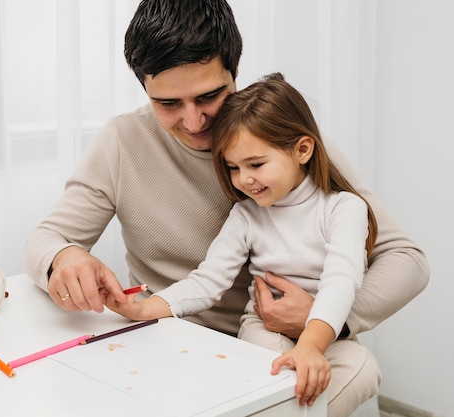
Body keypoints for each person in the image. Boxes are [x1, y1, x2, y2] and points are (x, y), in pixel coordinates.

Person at [23, 1, 429, 415]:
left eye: (209, 96)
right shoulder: (122, 141)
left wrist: (325, 320)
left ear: (235, 71)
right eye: (168, 104)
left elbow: (407, 260)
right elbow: (47, 240)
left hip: (287, 341)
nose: (194, 121)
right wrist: (65, 256)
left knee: (354, 372)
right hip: (173, 344)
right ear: (144, 88)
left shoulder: (281, 139)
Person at [103, 72, 379, 407]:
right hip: (266, 329)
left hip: (326, 330)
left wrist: (310, 345)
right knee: (283, 380)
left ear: (303, 149)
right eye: (233, 167)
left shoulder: (344, 209)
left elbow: (341, 282)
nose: (244, 179)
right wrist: (144, 308)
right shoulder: (248, 215)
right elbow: (207, 282)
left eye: (256, 164)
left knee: (364, 369)